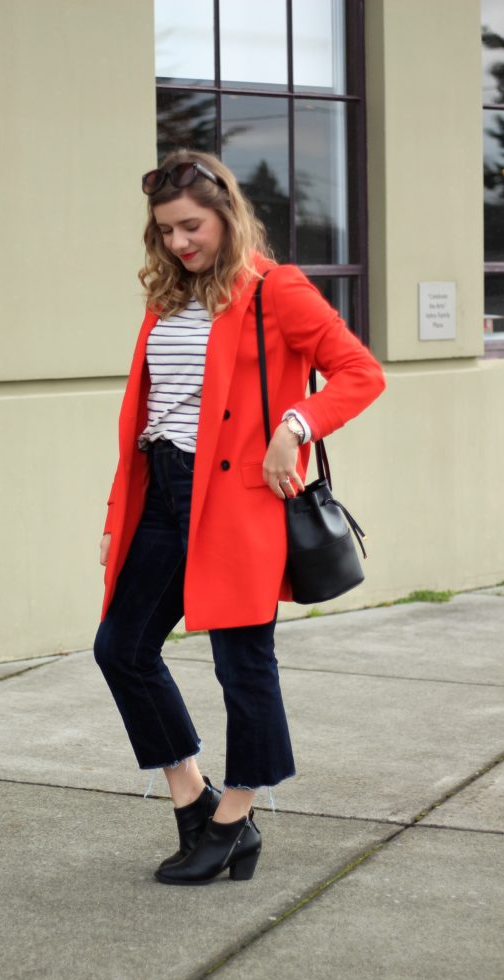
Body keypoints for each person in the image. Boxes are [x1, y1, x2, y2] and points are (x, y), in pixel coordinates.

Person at [93, 150, 385, 886]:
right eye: (164, 231)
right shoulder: (167, 297)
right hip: (160, 491)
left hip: (233, 500)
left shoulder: (274, 289)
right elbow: (150, 414)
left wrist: (295, 425)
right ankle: (194, 801)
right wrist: (115, 510)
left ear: (226, 214)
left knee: (241, 666)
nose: (178, 243)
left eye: (190, 226)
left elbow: (359, 373)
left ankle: (238, 817)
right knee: (121, 648)